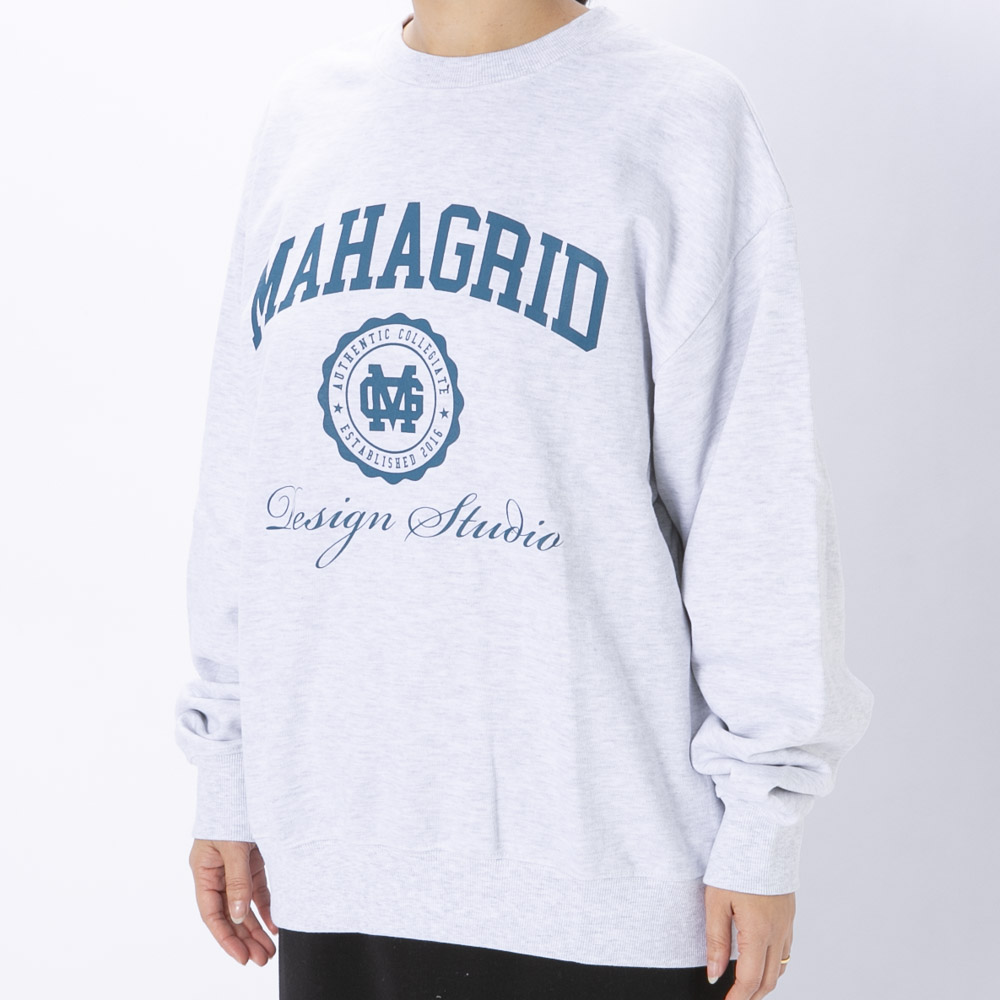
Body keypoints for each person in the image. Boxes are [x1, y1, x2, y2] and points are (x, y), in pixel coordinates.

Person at [174, 1, 876, 998]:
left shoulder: (676, 117)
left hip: (603, 871)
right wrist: (227, 768)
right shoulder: (307, 117)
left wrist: (763, 815)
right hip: (335, 851)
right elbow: (245, 472)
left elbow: (750, 494)